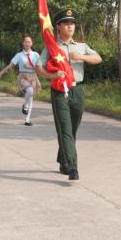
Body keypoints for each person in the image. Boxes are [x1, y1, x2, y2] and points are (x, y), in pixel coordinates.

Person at [36, 9, 102, 181]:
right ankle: (72, 167)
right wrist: (52, 76)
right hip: (59, 92)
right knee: (65, 129)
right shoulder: (52, 47)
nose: (70, 26)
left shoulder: (81, 46)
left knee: (72, 129)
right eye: (66, 23)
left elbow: (98, 58)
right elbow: (39, 68)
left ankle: (63, 159)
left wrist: (81, 57)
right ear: (58, 27)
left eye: (72, 23)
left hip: (77, 90)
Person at [0, 35, 41, 126]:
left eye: (29, 42)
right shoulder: (19, 55)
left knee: (31, 97)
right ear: (23, 43)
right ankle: (25, 105)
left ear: (32, 43)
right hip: (23, 76)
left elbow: (40, 66)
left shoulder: (36, 55)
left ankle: (27, 120)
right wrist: (1, 72)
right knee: (29, 91)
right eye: (26, 41)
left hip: (33, 76)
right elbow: (11, 65)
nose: (27, 43)